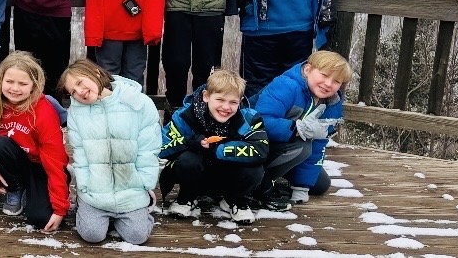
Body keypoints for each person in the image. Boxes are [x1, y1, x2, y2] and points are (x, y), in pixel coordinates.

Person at [61, 59, 160, 245]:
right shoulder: (76, 112)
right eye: (72, 91)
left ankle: (139, 209)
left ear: (95, 73)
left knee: (137, 237)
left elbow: (149, 148)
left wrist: (144, 183)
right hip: (96, 192)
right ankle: (89, 211)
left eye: (80, 82)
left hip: (131, 189)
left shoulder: (137, 102)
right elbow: (80, 154)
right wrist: (85, 185)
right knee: (92, 235)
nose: (79, 91)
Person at [160, 69, 267, 224]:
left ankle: (234, 200)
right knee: (187, 159)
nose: (226, 107)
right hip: (197, 176)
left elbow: (261, 150)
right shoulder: (184, 115)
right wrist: (192, 142)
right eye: (220, 100)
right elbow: (162, 148)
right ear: (206, 96)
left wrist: (217, 149)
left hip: (230, 177)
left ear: (240, 101)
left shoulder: (250, 117)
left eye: (233, 102)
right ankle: (187, 197)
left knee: (256, 167)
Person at [0, 52, 68, 231]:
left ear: (34, 85)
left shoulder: (44, 111)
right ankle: (16, 188)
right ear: (0, 80)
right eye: (9, 81)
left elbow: (54, 161)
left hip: (41, 165)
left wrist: (60, 209)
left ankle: (46, 186)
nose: (15, 88)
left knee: (41, 219)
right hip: (14, 163)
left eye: (23, 83)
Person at [250, 50, 349, 211]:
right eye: (324, 75)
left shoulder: (332, 102)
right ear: (308, 70)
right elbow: (260, 120)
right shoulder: (287, 86)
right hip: (255, 143)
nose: (328, 84)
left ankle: (281, 176)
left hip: (284, 147)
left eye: (336, 81)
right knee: (302, 147)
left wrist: (302, 186)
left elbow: (319, 142)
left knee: (319, 184)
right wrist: (296, 128)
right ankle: (257, 183)